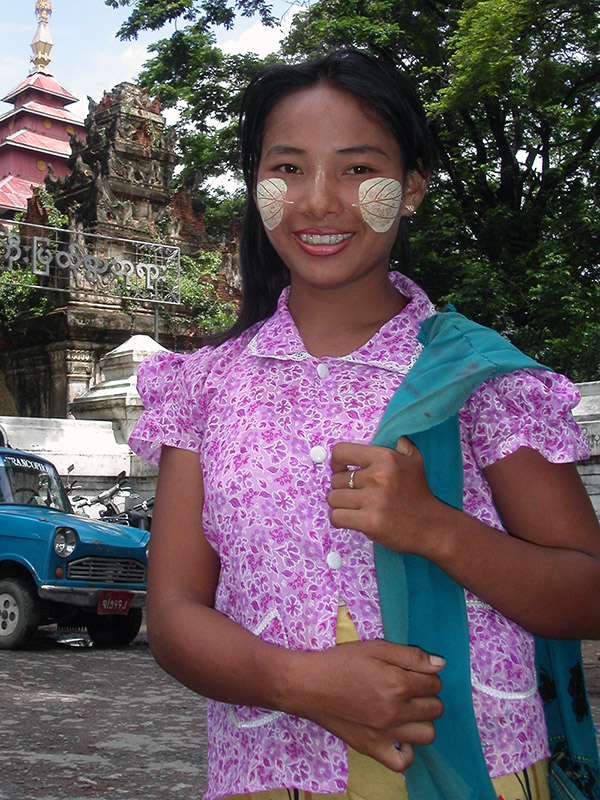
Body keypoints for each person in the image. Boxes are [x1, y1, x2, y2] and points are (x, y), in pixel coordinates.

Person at [129, 49, 600, 800]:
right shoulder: (202, 387)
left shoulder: (482, 377)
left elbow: (589, 592)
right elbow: (174, 612)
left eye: (357, 169)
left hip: (480, 774)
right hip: (268, 775)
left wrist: (436, 528)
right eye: (287, 167)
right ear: (256, 184)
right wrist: (297, 682)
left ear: (410, 188)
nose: (318, 201)